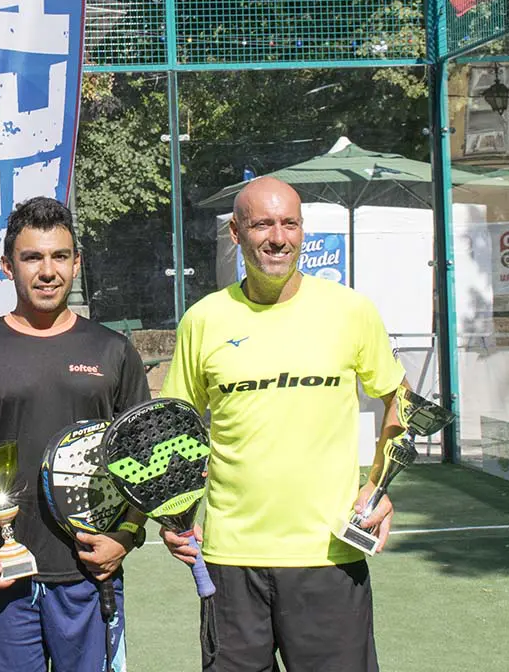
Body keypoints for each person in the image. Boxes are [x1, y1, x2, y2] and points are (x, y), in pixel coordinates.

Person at [159, 176, 408, 672]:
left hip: (331, 556)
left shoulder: (350, 311)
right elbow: (173, 428)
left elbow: (400, 402)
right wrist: (175, 512)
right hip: (231, 562)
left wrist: (377, 487)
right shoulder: (203, 320)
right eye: (262, 224)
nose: (278, 237)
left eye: (289, 223)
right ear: (236, 233)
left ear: (302, 231)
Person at [0, 196, 151, 672]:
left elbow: (145, 459)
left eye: (60, 256)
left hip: (88, 574)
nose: (47, 270)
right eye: (32, 257)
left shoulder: (113, 350)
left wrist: (124, 535)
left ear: (76, 263)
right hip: (3, 576)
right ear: (7, 266)